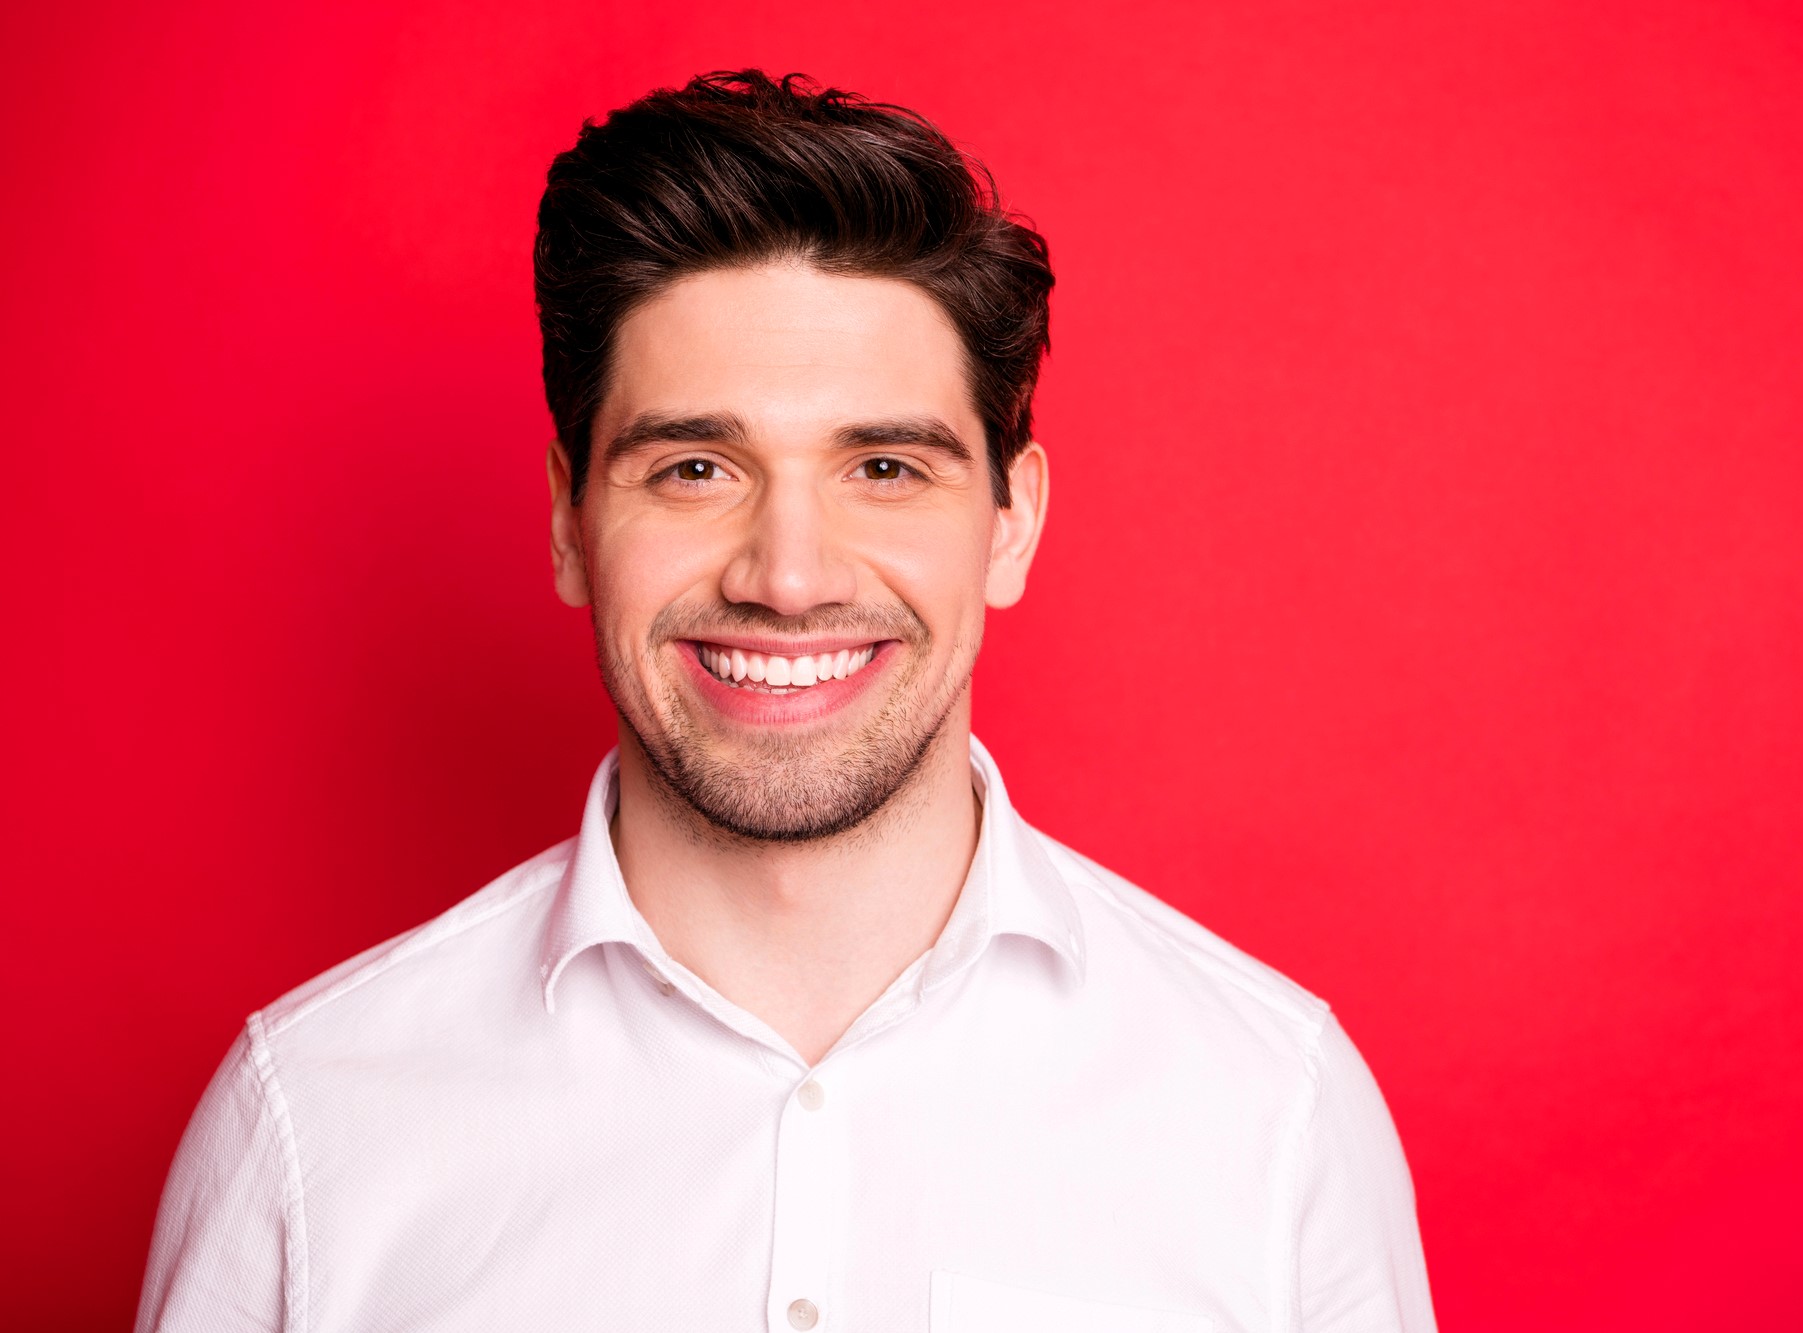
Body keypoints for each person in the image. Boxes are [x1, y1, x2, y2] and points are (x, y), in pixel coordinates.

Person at [136, 70, 1436, 1332]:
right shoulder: (309, 1129)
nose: (790, 575)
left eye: (884, 465)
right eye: (696, 466)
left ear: (1012, 521)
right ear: (569, 523)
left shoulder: (1272, 1114)